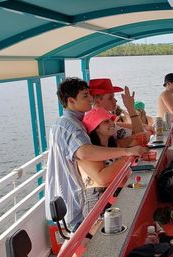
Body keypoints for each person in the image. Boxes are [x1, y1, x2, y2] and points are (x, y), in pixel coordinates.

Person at [44, 77, 145, 231]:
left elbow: (139, 137)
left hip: (76, 196)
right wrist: (126, 152)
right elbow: (85, 152)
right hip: (75, 198)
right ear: (71, 100)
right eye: (85, 96)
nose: (90, 99)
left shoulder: (73, 123)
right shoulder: (70, 125)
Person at [89, 78, 145, 146]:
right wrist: (131, 108)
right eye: (110, 98)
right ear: (97, 101)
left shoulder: (96, 119)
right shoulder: (105, 125)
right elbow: (141, 137)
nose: (115, 100)